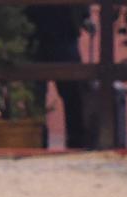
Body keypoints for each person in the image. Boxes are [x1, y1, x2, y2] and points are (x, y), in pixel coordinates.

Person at [24, 4, 90, 149]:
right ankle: (37, 141)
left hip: (62, 31)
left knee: (73, 90)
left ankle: (76, 141)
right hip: (36, 30)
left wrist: (84, 15)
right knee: (35, 92)